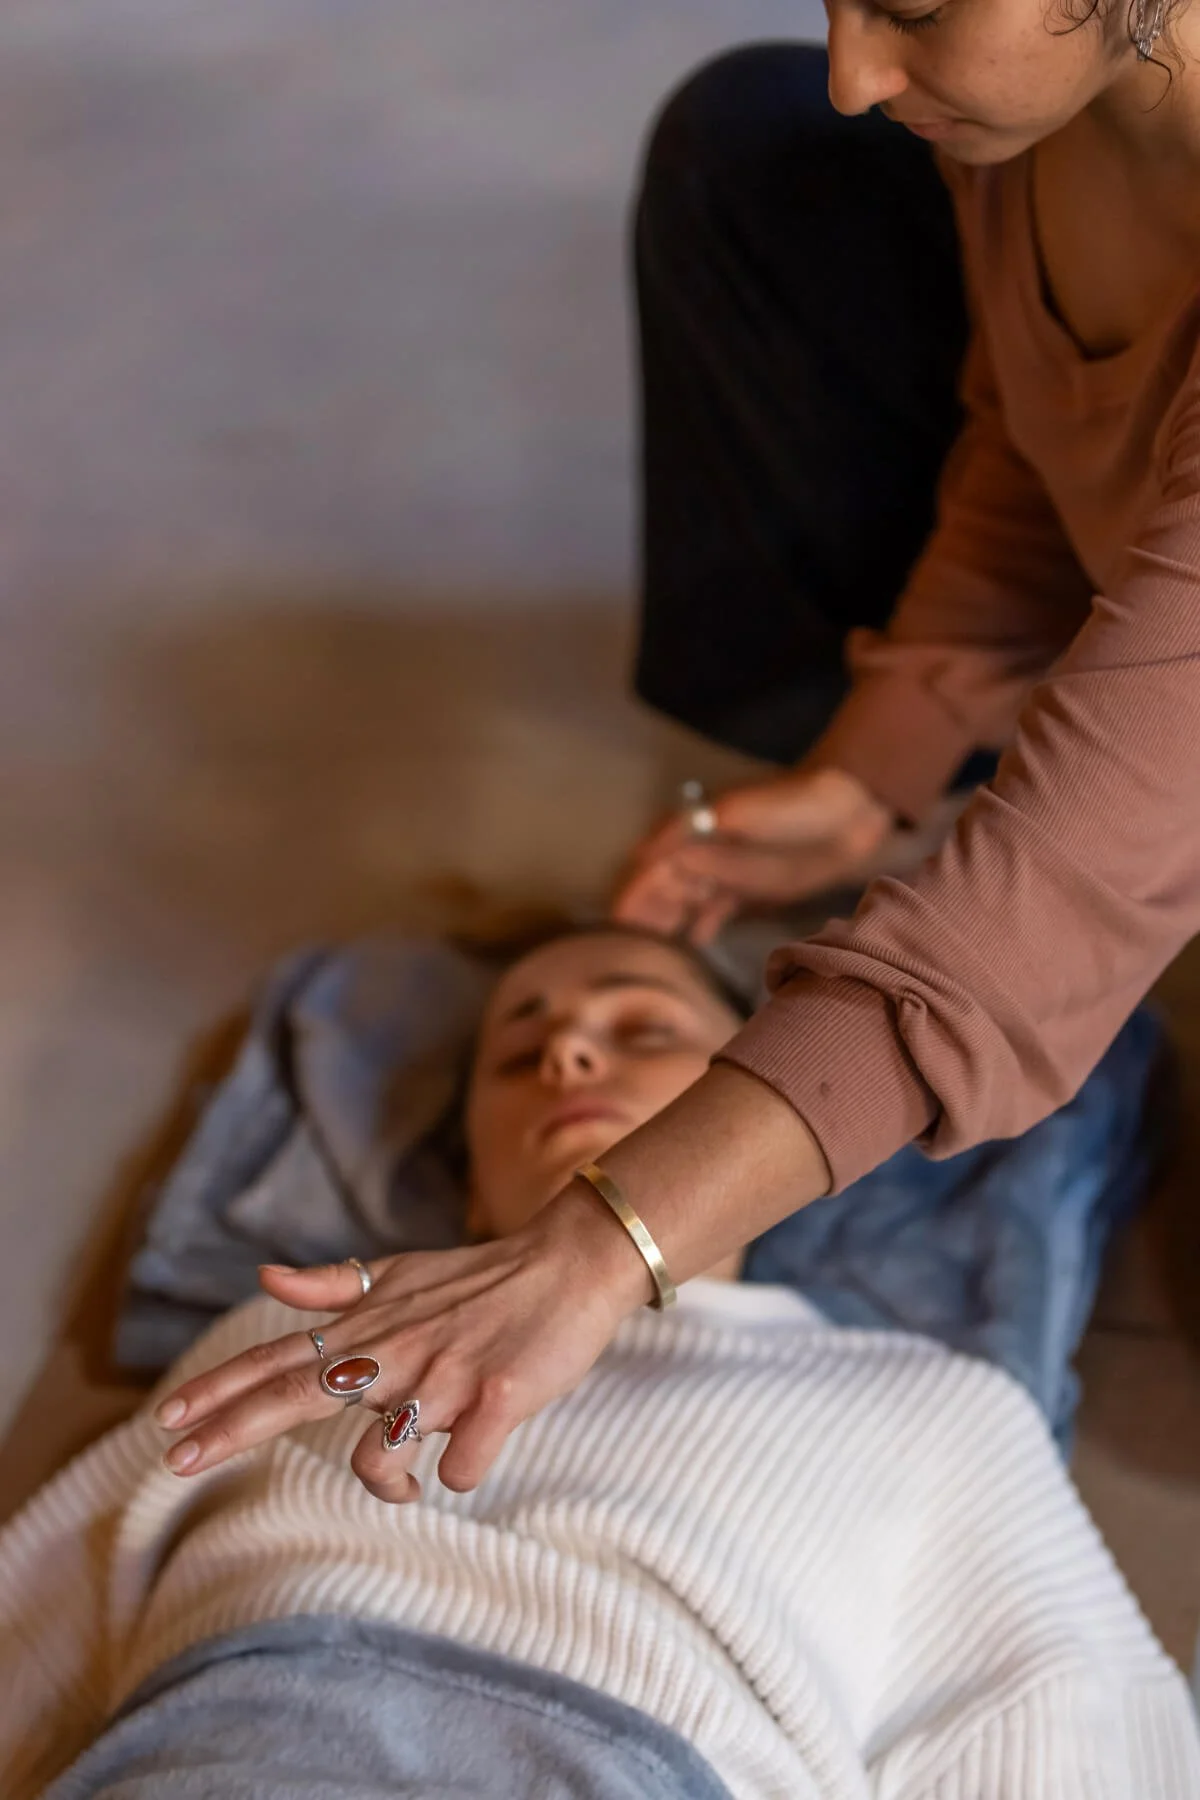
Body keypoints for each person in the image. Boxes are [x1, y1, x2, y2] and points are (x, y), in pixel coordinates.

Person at [3, 927, 1196, 1798]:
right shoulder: (295, 1339)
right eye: (518, 1057)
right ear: (469, 1172)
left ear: (765, 1135)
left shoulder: (935, 1409)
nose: (569, 1051)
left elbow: (1072, 1738)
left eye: (642, 1029)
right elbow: (43, 1617)